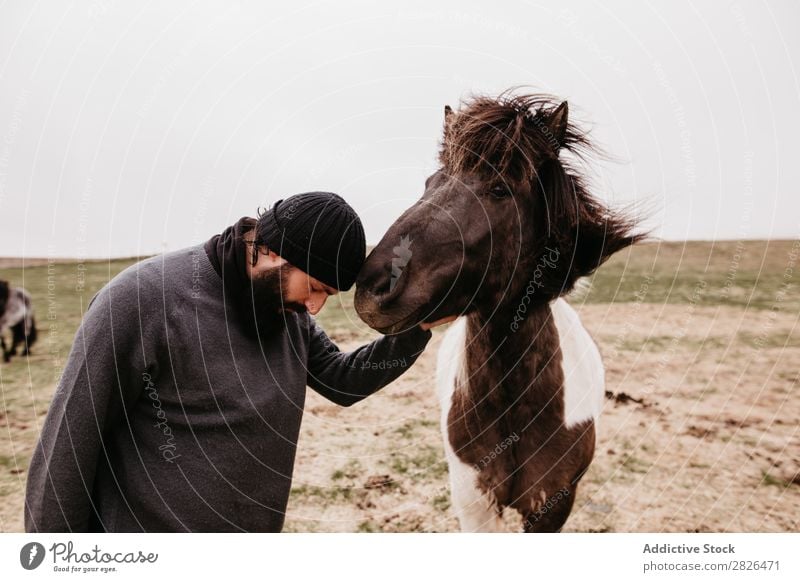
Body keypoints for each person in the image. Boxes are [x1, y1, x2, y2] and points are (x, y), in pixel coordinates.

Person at [25, 192, 440, 532]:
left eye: (326, 296)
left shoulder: (284, 312)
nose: (313, 309)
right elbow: (67, 448)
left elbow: (340, 380)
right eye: (314, 288)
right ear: (271, 252)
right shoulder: (140, 301)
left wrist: (416, 329)